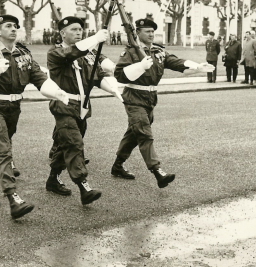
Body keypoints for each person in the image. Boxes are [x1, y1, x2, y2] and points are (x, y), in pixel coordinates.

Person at [0, 15, 67, 218]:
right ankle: (13, 197)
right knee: (4, 150)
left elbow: (39, 76)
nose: (14, 29)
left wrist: (57, 92)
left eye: (15, 26)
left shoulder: (23, 54)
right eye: (8, 26)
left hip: (14, 107)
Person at [112, 18, 209, 188]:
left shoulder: (158, 51)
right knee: (144, 133)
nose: (151, 34)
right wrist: (140, 66)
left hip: (150, 98)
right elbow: (119, 75)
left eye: (152, 31)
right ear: (138, 33)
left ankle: (118, 165)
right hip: (134, 97)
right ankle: (157, 171)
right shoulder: (131, 52)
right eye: (147, 31)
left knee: (134, 134)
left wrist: (196, 67)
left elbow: (175, 62)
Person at [45, 17, 120, 205]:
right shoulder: (56, 53)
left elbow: (96, 77)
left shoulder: (88, 54)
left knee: (64, 146)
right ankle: (83, 186)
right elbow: (71, 53)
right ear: (62, 33)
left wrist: (113, 90)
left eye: (80, 29)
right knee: (74, 144)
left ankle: (53, 179)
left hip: (82, 106)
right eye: (74, 29)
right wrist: (95, 38)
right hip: (64, 105)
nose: (79, 32)